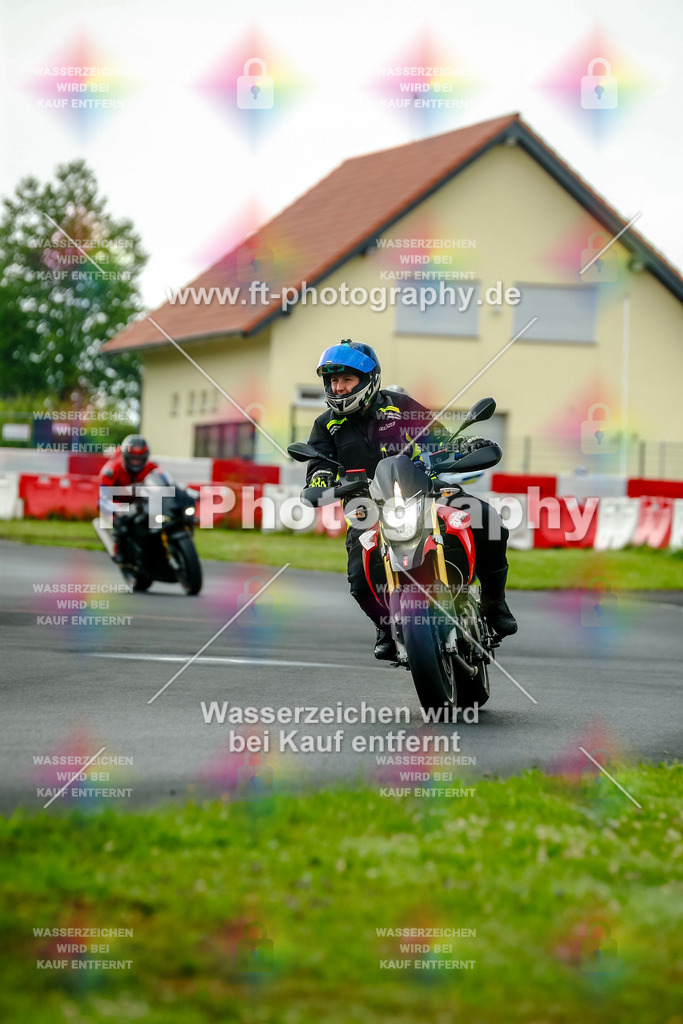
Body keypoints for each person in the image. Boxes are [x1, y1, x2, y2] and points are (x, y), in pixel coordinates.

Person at [301, 340, 517, 660]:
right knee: (359, 580)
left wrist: (465, 444)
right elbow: (319, 463)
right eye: (333, 380)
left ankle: (494, 602)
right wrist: (319, 482)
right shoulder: (326, 425)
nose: (338, 387)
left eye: (346, 379)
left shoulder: (400, 405)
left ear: (368, 379)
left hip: (425, 489)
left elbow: (439, 438)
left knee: (488, 520)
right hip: (367, 507)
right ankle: (386, 626)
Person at [98, 435, 158, 565]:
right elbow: (103, 499)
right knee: (119, 522)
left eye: (139, 458)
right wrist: (119, 508)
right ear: (125, 456)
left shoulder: (152, 467)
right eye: (132, 458)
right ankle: (118, 549)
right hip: (117, 503)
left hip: (141, 502)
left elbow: (165, 484)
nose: (136, 462)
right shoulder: (111, 469)